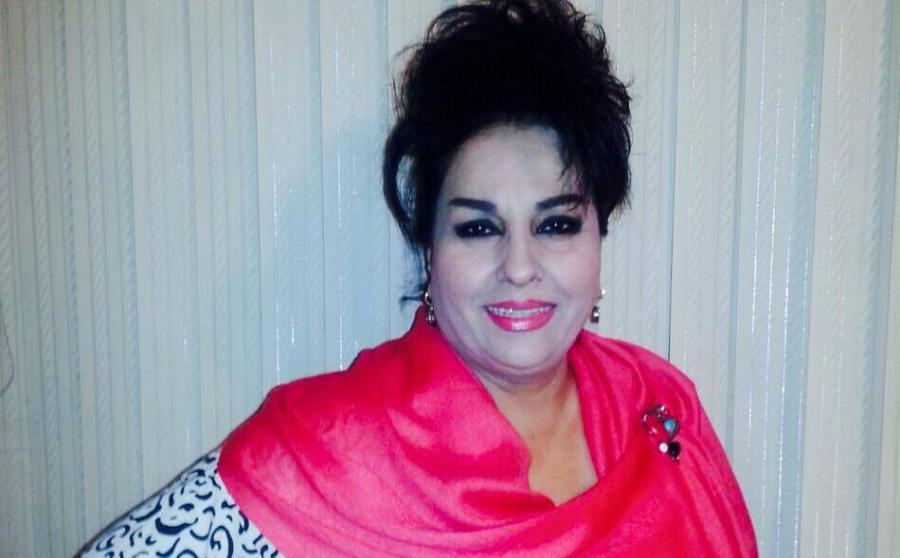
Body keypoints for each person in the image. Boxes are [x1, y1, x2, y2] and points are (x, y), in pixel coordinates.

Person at [80, 1, 757, 556]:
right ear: (429, 249)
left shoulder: (662, 409)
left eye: (555, 224)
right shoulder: (329, 453)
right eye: (478, 228)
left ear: (598, 236)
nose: (520, 266)